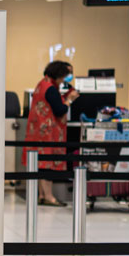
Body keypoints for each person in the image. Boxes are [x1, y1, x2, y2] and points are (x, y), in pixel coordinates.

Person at [26, 60, 78, 207]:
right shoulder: (51, 89)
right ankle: (49, 196)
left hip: (38, 132)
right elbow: (60, 110)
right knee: (46, 164)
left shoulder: (42, 84)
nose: (69, 77)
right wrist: (69, 100)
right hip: (47, 133)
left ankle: (42, 195)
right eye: (67, 74)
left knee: (40, 164)